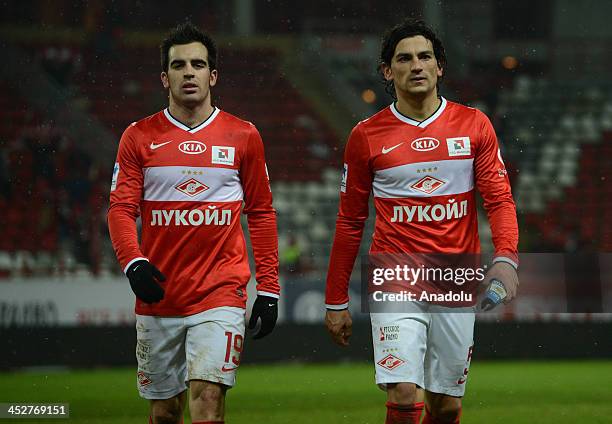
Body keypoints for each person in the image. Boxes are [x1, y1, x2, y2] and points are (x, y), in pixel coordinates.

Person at [324, 19, 519, 424]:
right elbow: (349, 221)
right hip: (393, 275)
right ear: (386, 70)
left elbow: (498, 199)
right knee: (404, 390)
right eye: (404, 58)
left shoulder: (473, 125)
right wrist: (335, 299)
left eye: (425, 56)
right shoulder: (366, 136)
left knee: (445, 406)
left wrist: (507, 257)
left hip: (455, 276)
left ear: (440, 66)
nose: (416, 65)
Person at [107, 22, 279, 424]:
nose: (189, 72)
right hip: (160, 295)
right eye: (179, 65)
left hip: (220, 293)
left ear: (212, 75)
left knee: (207, 402)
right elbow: (120, 209)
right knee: (165, 413)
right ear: (165, 77)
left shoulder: (243, 135)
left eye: (198, 64)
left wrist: (268, 287)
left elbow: (261, 212)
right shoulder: (138, 137)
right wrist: (133, 262)